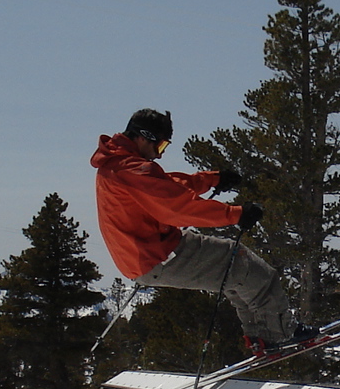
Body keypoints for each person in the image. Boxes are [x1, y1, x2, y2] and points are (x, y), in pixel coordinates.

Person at [92, 108, 315, 356]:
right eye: (161, 146)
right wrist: (237, 214)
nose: (160, 154)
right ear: (143, 137)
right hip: (157, 255)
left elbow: (166, 186)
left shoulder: (120, 164)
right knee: (250, 269)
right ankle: (279, 334)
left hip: (151, 252)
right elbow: (176, 207)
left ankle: (262, 336)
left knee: (235, 273)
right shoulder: (130, 169)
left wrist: (212, 179)